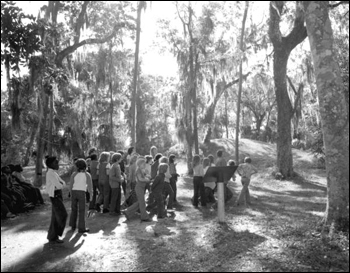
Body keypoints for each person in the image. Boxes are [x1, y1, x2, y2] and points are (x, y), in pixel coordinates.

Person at [45, 156, 68, 244]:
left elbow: (62, 182)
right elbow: (59, 185)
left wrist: (61, 184)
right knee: (63, 215)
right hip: (55, 195)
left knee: (55, 216)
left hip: (58, 194)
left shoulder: (53, 172)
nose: (58, 164)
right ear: (50, 164)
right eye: (56, 163)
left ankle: (52, 236)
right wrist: (62, 185)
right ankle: (56, 234)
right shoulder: (50, 173)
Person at [69, 159, 92, 233]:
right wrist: (91, 195)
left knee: (74, 209)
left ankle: (73, 225)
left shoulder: (74, 174)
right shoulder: (87, 175)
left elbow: (71, 185)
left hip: (74, 192)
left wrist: (70, 193)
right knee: (82, 210)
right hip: (82, 193)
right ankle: (81, 228)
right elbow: (90, 187)